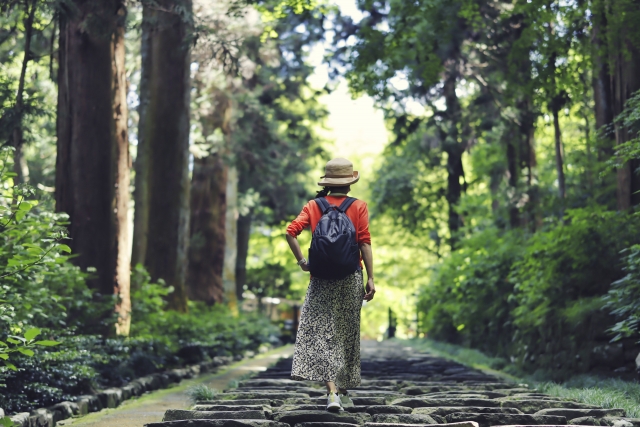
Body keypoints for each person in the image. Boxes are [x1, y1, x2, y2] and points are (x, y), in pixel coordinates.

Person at [285, 157, 376, 412]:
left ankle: (334, 393)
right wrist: (370, 277)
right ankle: (344, 391)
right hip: (350, 277)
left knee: (324, 334)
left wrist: (303, 261)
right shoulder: (359, 206)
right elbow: (364, 242)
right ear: (349, 183)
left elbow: (290, 232)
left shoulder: (314, 205)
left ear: (327, 182)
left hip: (321, 278)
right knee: (347, 333)